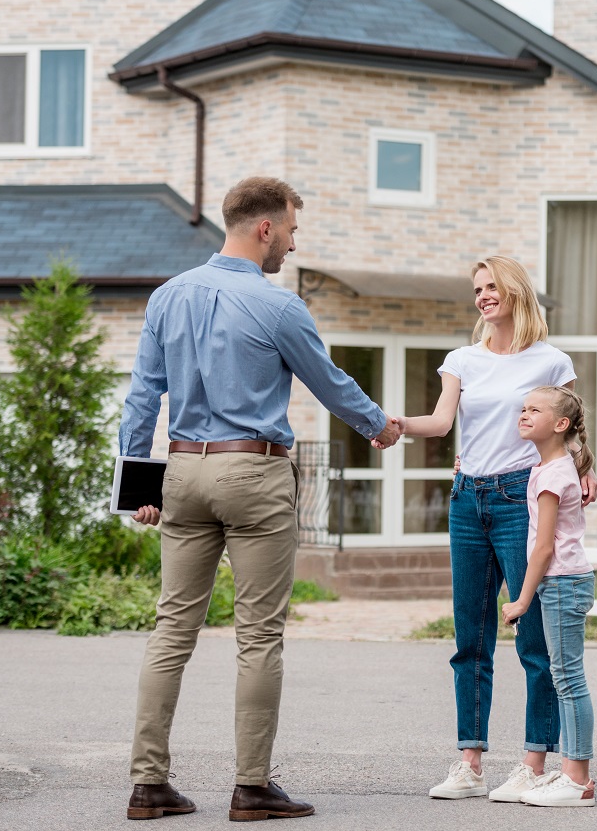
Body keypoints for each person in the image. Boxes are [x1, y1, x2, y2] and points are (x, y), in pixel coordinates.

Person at [119, 176, 400, 822]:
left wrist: (138, 486)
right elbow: (328, 383)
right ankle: (250, 787)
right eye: (292, 232)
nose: (293, 246)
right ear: (265, 228)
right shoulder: (277, 306)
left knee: (171, 629)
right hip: (253, 472)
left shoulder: (167, 297)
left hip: (183, 473)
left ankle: (147, 783)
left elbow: (142, 396)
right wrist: (379, 425)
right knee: (259, 635)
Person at [384, 255, 597, 803]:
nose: (483, 296)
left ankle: (533, 763)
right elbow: (440, 423)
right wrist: (395, 424)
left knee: (534, 642)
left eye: (492, 286)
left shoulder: (551, 360)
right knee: (470, 638)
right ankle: (470, 762)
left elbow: (571, 424)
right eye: (477, 289)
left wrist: (588, 469)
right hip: (467, 499)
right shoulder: (462, 359)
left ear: (516, 291)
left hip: (520, 498)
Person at [501, 386, 597, 807]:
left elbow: (543, 546)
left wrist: (521, 600)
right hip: (560, 582)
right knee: (564, 677)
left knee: (568, 679)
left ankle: (577, 780)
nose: (523, 414)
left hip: (562, 582)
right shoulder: (549, 466)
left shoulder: (556, 473)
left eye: (534, 410)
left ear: (560, 425)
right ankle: (572, 772)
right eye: (522, 408)